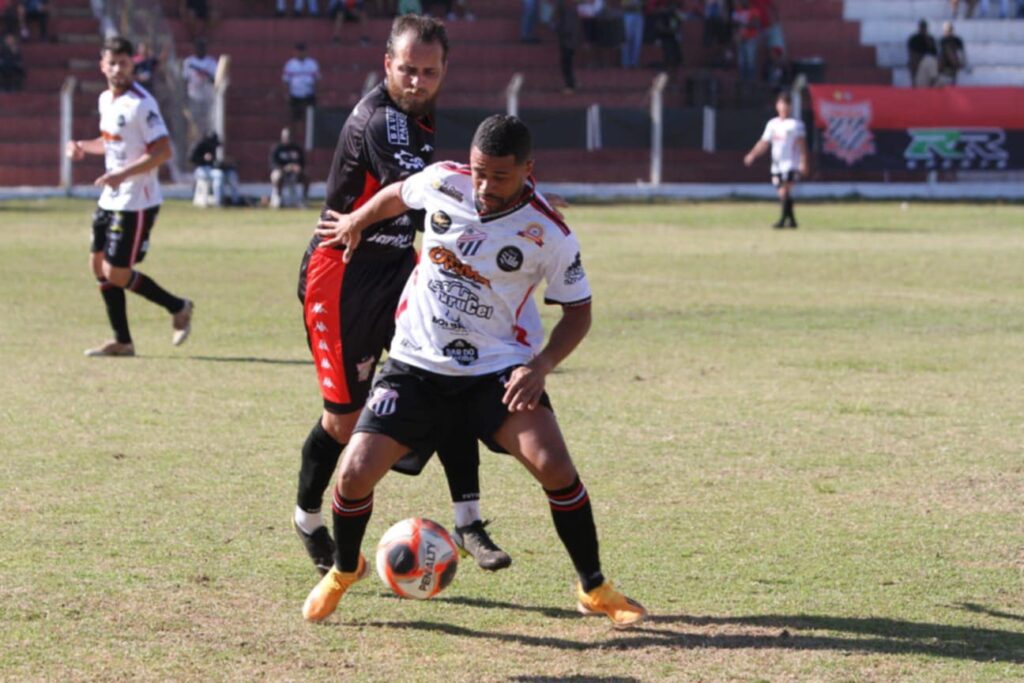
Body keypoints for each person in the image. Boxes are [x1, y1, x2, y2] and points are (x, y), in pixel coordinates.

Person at [302, 114, 648, 629]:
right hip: (414, 364)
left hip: (495, 370)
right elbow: (399, 193)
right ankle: (344, 570)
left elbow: (579, 312)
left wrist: (541, 365)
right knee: (353, 475)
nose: (484, 187)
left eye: (500, 177)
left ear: (529, 169)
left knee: (555, 466)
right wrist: (357, 221)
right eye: (479, 171)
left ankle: (594, 587)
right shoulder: (445, 180)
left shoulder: (548, 232)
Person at [293, 15, 511, 579]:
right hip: (343, 277)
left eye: (429, 71)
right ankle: (308, 516)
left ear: (444, 70)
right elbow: (418, 199)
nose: (417, 81)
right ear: (387, 64)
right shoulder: (385, 122)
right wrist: (506, 199)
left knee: (449, 374)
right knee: (342, 423)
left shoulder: (421, 114)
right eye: (407, 69)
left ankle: (469, 519)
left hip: (400, 269)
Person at [64, 36, 193, 357]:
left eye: (124, 63)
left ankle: (178, 306)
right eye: (112, 63)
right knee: (97, 265)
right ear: (102, 65)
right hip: (111, 196)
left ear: (132, 64)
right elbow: (111, 141)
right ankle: (122, 341)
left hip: (137, 200)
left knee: (116, 272)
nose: (118, 69)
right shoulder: (106, 100)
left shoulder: (141, 103)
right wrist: (82, 146)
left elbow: (162, 151)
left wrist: (121, 175)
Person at [743, 91, 808, 229]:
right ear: (777, 106)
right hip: (777, 164)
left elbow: (802, 145)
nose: (783, 107)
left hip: (791, 163)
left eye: (786, 104)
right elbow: (764, 142)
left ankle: (782, 220)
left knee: (784, 191)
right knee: (782, 192)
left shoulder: (796, 124)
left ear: (790, 107)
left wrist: (803, 161)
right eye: (781, 104)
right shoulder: (772, 124)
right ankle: (792, 221)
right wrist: (752, 154)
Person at [189, 131, 241, 206]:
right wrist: (203, 159)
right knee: (219, 175)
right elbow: (191, 159)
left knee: (232, 174)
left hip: (212, 169)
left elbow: (214, 162)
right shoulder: (199, 145)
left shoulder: (213, 147)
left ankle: (236, 200)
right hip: (201, 169)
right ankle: (219, 202)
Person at [181, 38, 217, 136]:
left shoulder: (211, 62)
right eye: (198, 47)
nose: (200, 49)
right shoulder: (189, 62)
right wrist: (184, 97)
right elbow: (185, 80)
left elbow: (215, 80)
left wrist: (206, 75)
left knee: (207, 122)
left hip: (208, 97)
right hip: (193, 96)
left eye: (202, 48)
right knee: (193, 122)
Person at [270, 127, 309, 208]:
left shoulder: (297, 149)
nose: (287, 139)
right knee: (277, 175)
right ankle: (278, 197)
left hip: (294, 173)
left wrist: (298, 168)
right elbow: (273, 164)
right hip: (281, 171)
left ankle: (304, 198)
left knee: (306, 175)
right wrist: (285, 168)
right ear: (282, 137)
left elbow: (302, 163)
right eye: (286, 137)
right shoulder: (277, 149)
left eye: (289, 137)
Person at [282, 41, 320, 123]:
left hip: (309, 95)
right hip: (295, 95)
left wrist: (317, 93)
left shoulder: (312, 64)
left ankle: (310, 135)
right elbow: (286, 81)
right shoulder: (290, 64)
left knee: (310, 119)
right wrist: (287, 94)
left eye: (302, 51)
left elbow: (317, 80)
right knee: (293, 119)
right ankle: (291, 135)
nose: (300, 53)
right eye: (298, 51)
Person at [554, 0, 581, 94]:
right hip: (570, 43)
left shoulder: (567, 15)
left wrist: (557, 28)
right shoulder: (570, 13)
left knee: (566, 66)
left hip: (567, 44)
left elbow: (567, 30)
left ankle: (570, 86)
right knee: (568, 65)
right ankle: (572, 83)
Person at [907, 19, 938, 88]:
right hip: (918, 61)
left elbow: (934, 53)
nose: (923, 29)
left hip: (929, 62)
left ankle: (933, 81)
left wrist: (928, 41)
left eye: (925, 27)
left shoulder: (930, 39)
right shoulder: (914, 39)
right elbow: (912, 53)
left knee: (930, 60)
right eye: (922, 27)